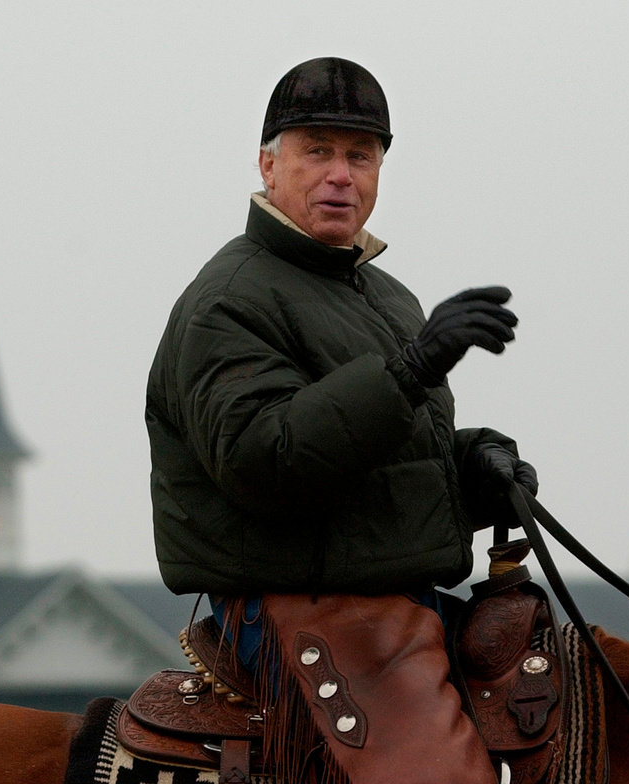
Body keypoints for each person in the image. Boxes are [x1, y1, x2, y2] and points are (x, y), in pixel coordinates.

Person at [145, 57, 537, 784]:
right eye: (316, 151)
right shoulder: (228, 300)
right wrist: (412, 369)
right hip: (304, 611)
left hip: (399, 600)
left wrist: (475, 473)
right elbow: (267, 460)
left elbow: (376, 463)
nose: (340, 174)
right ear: (268, 165)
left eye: (360, 155)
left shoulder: (386, 296)